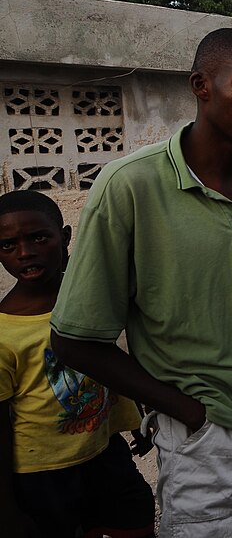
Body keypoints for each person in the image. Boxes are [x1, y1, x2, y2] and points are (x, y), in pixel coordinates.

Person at [48, 28, 232, 537]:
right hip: (205, 421)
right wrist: (187, 411)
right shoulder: (130, 186)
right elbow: (75, 337)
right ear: (202, 85)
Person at [0, 191, 154, 538]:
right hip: (43, 474)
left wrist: (134, 423)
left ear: (65, 237)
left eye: (39, 237)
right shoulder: (5, 333)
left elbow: (107, 364)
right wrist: (7, 511)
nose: (25, 252)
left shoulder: (88, 298)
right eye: (8, 245)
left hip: (103, 450)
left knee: (137, 518)